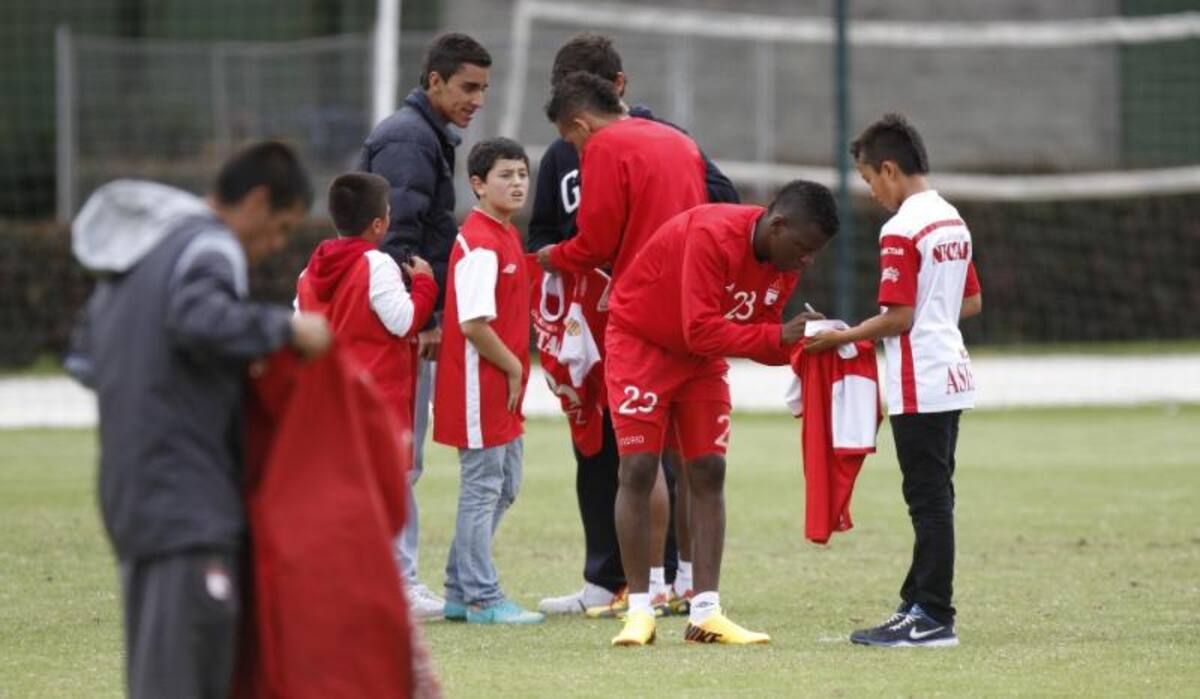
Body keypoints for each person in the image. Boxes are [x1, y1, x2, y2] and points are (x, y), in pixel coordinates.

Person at [66, 141, 333, 698]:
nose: (275, 245)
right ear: (257, 202)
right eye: (281, 227)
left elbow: (86, 359)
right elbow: (197, 318)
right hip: (186, 502)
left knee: (161, 678)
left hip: (136, 494)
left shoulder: (143, 255)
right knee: (189, 680)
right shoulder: (210, 247)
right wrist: (285, 330)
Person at [532, 32, 739, 618]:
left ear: (580, 116)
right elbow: (725, 211)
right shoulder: (678, 142)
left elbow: (594, 240)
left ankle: (641, 596)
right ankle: (697, 596)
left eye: (570, 135)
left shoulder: (602, 147)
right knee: (700, 459)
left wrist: (555, 258)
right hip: (690, 311)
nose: (572, 147)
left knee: (636, 455)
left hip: (633, 315)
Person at [602, 181, 838, 647]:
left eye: (815, 253)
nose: (806, 260)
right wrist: (779, 338)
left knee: (709, 468)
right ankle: (639, 611)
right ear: (778, 225)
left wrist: (810, 343)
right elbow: (701, 329)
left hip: (699, 358)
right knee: (639, 467)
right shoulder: (711, 235)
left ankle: (705, 612)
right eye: (804, 247)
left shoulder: (782, 260)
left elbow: (756, 334)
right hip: (641, 343)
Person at [806, 113, 982, 648]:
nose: (871, 192)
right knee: (936, 496)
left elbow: (899, 317)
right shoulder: (951, 218)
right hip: (952, 372)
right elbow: (970, 302)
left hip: (921, 378)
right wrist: (926, 317)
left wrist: (839, 337)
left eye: (867, 180)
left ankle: (932, 615)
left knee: (928, 502)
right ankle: (917, 601)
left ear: (889, 169)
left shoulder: (902, 227)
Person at [359, 31, 492, 619]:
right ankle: (394, 579)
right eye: (468, 87)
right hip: (397, 322)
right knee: (395, 453)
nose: (477, 99)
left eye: (483, 88)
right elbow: (397, 237)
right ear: (433, 81)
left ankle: (384, 574)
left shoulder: (425, 135)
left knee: (395, 453)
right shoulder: (410, 140)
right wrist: (426, 316)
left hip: (398, 317)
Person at [433, 137, 542, 624]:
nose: (517, 183)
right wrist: (517, 366)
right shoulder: (479, 242)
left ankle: (459, 587)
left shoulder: (503, 234)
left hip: (500, 385)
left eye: (521, 174)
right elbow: (473, 324)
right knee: (483, 487)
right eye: (505, 175)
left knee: (507, 485)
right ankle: (480, 595)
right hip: (480, 385)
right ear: (477, 185)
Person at [294, 172, 438, 434]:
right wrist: (424, 282)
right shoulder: (376, 265)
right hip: (375, 406)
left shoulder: (308, 273)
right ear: (378, 225)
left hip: (327, 406)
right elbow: (404, 322)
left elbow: (299, 335)